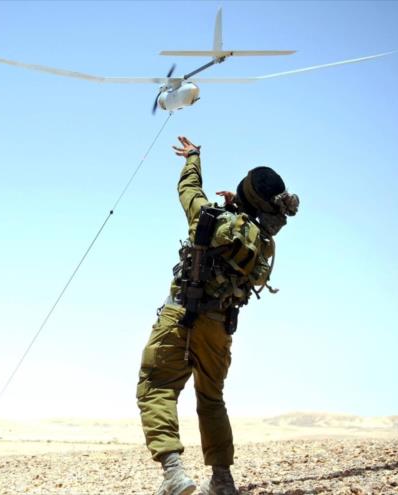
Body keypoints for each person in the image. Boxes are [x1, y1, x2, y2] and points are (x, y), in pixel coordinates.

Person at [136, 136, 299, 495]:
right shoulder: (265, 243)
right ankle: (222, 480)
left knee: (157, 386)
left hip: (180, 316)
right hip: (221, 326)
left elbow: (188, 189)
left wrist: (192, 158)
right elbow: (249, 235)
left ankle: (173, 474)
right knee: (211, 399)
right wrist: (238, 209)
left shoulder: (209, 217)